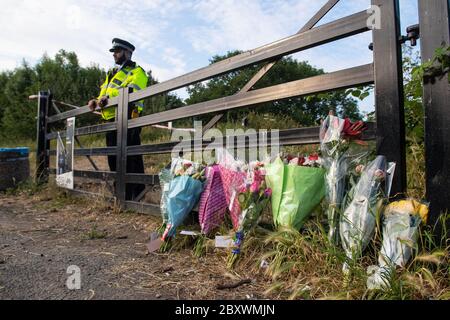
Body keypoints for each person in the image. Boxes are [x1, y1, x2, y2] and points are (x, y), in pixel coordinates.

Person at [88, 38, 148, 201]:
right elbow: (104, 95)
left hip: (129, 117)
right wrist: (96, 101)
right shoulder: (111, 74)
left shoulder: (137, 71)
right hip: (111, 119)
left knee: (131, 157)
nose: (114, 54)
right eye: (114, 52)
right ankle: (120, 194)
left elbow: (130, 91)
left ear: (128, 53)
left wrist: (108, 97)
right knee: (113, 158)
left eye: (118, 51)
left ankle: (136, 196)